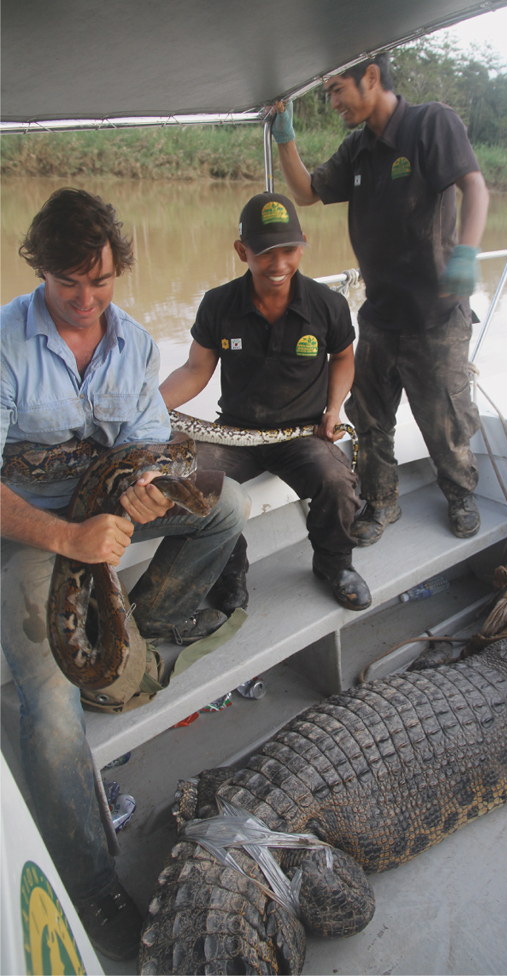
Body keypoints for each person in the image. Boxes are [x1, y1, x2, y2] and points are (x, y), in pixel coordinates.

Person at [0, 188, 250, 961]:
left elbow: (148, 445)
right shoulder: (5, 340)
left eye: (100, 282)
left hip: (105, 508)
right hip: (33, 525)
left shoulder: (135, 342)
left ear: (119, 273)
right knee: (45, 695)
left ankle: (142, 634)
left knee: (225, 504)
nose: (85, 300)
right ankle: (92, 883)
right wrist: (70, 537)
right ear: (39, 268)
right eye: (68, 283)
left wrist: (142, 502)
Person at [272, 53, 490, 544]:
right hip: (379, 316)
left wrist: (468, 254)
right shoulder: (357, 149)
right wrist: (284, 139)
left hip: (436, 313)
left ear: (370, 78)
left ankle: (460, 494)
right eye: (327, 93)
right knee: (369, 418)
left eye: (336, 90)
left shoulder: (431, 123)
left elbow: (474, 188)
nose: (332, 102)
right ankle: (382, 502)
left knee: (445, 418)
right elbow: (306, 192)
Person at [160, 192, 371, 612]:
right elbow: (195, 370)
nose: (278, 265)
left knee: (336, 481)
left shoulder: (328, 305)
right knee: (188, 478)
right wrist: (146, 407)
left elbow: (344, 359)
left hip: (304, 433)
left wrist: (333, 408)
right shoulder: (218, 304)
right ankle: (230, 570)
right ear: (243, 251)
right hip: (235, 432)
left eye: (289, 250)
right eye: (264, 252)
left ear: (303, 243)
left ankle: (334, 563)